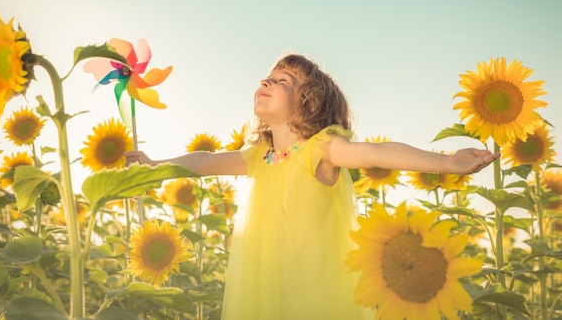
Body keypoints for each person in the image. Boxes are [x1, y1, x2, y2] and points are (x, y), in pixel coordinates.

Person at [124, 53, 499, 320]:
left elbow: (376, 152)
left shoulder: (322, 150)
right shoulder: (258, 157)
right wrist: (154, 166)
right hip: (264, 287)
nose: (266, 81)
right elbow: (203, 161)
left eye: (283, 80)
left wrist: (445, 162)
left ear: (308, 105)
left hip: (315, 290)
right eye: (267, 76)